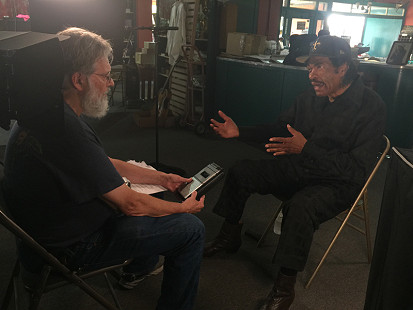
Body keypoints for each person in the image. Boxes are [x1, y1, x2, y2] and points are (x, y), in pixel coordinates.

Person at [3, 27, 205, 310]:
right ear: (78, 80)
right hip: (69, 249)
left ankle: (135, 270)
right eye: (106, 76)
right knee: (191, 229)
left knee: (155, 191)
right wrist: (184, 209)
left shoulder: (42, 112)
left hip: (41, 239)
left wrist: (165, 178)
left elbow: (101, 162)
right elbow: (131, 205)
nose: (111, 83)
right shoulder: (67, 131)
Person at [204, 36, 386, 310]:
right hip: (302, 167)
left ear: (343, 67)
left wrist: (306, 149)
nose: (311, 74)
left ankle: (284, 288)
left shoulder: (371, 107)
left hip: (339, 183)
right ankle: (229, 237)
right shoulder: (309, 98)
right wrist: (241, 131)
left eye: (320, 66)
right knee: (242, 171)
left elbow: (356, 170)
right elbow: (280, 129)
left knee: (300, 207)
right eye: (309, 67)